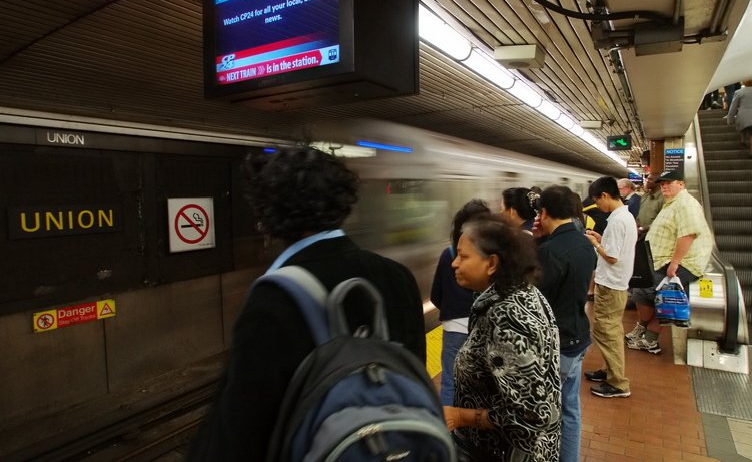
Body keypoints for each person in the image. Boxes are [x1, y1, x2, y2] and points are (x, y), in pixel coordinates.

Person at [189, 146, 426, 461]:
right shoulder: (397, 277)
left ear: (267, 217)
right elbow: (413, 376)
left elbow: (240, 432)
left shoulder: (275, 297)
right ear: (342, 203)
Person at [444, 216, 561, 461]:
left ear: (492, 263)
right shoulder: (522, 293)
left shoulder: (506, 317)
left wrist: (460, 416)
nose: (455, 263)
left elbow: (531, 416)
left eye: (463, 256)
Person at [533, 185, 596, 462]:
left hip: (555, 345)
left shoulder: (550, 252)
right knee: (570, 409)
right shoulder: (585, 243)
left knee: (542, 414)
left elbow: (536, 299)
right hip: (578, 337)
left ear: (543, 213)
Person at [627, 170, 712, 354]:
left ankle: (650, 340)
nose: (664, 186)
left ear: (681, 184)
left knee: (664, 301)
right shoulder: (671, 203)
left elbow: (688, 234)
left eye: (669, 183)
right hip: (661, 261)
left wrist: (675, 263)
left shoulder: (686, 204)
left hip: (680, 264)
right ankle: (642, 330)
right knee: (644, 294)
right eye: (662, 183)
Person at [430, 199, 491, 406]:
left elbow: (435, 296)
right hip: (484, 328)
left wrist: (452, 308)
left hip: (454, 328)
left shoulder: (448, 255)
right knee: (481, 383)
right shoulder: (492, 258)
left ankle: (448, 431)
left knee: (449, 382)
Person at [583, 177, 637, 399]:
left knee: (607, 331)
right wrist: (602, 238)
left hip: (611, 283)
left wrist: (595, 244)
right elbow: (617, 246)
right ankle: (608, 371)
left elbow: (612, 257)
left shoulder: (616, 220)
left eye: (597, 200)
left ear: (605, 195)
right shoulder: (624, 217)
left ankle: (618, 383)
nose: (597, 206)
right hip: (617, 282)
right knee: (609, 329)